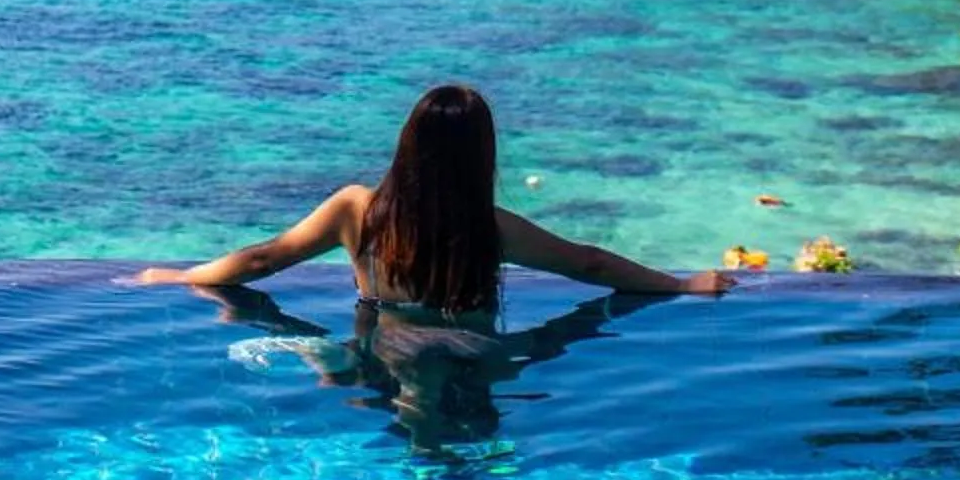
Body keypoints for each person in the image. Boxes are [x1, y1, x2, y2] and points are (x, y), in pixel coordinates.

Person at [133, 83, 738, 309]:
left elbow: (264, 259)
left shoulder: (356, 210)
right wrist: (682, 285)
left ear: (408, 144)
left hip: (382, 352)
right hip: (471, 356)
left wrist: (181, 276)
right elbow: (590, 265)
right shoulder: (489, 227)